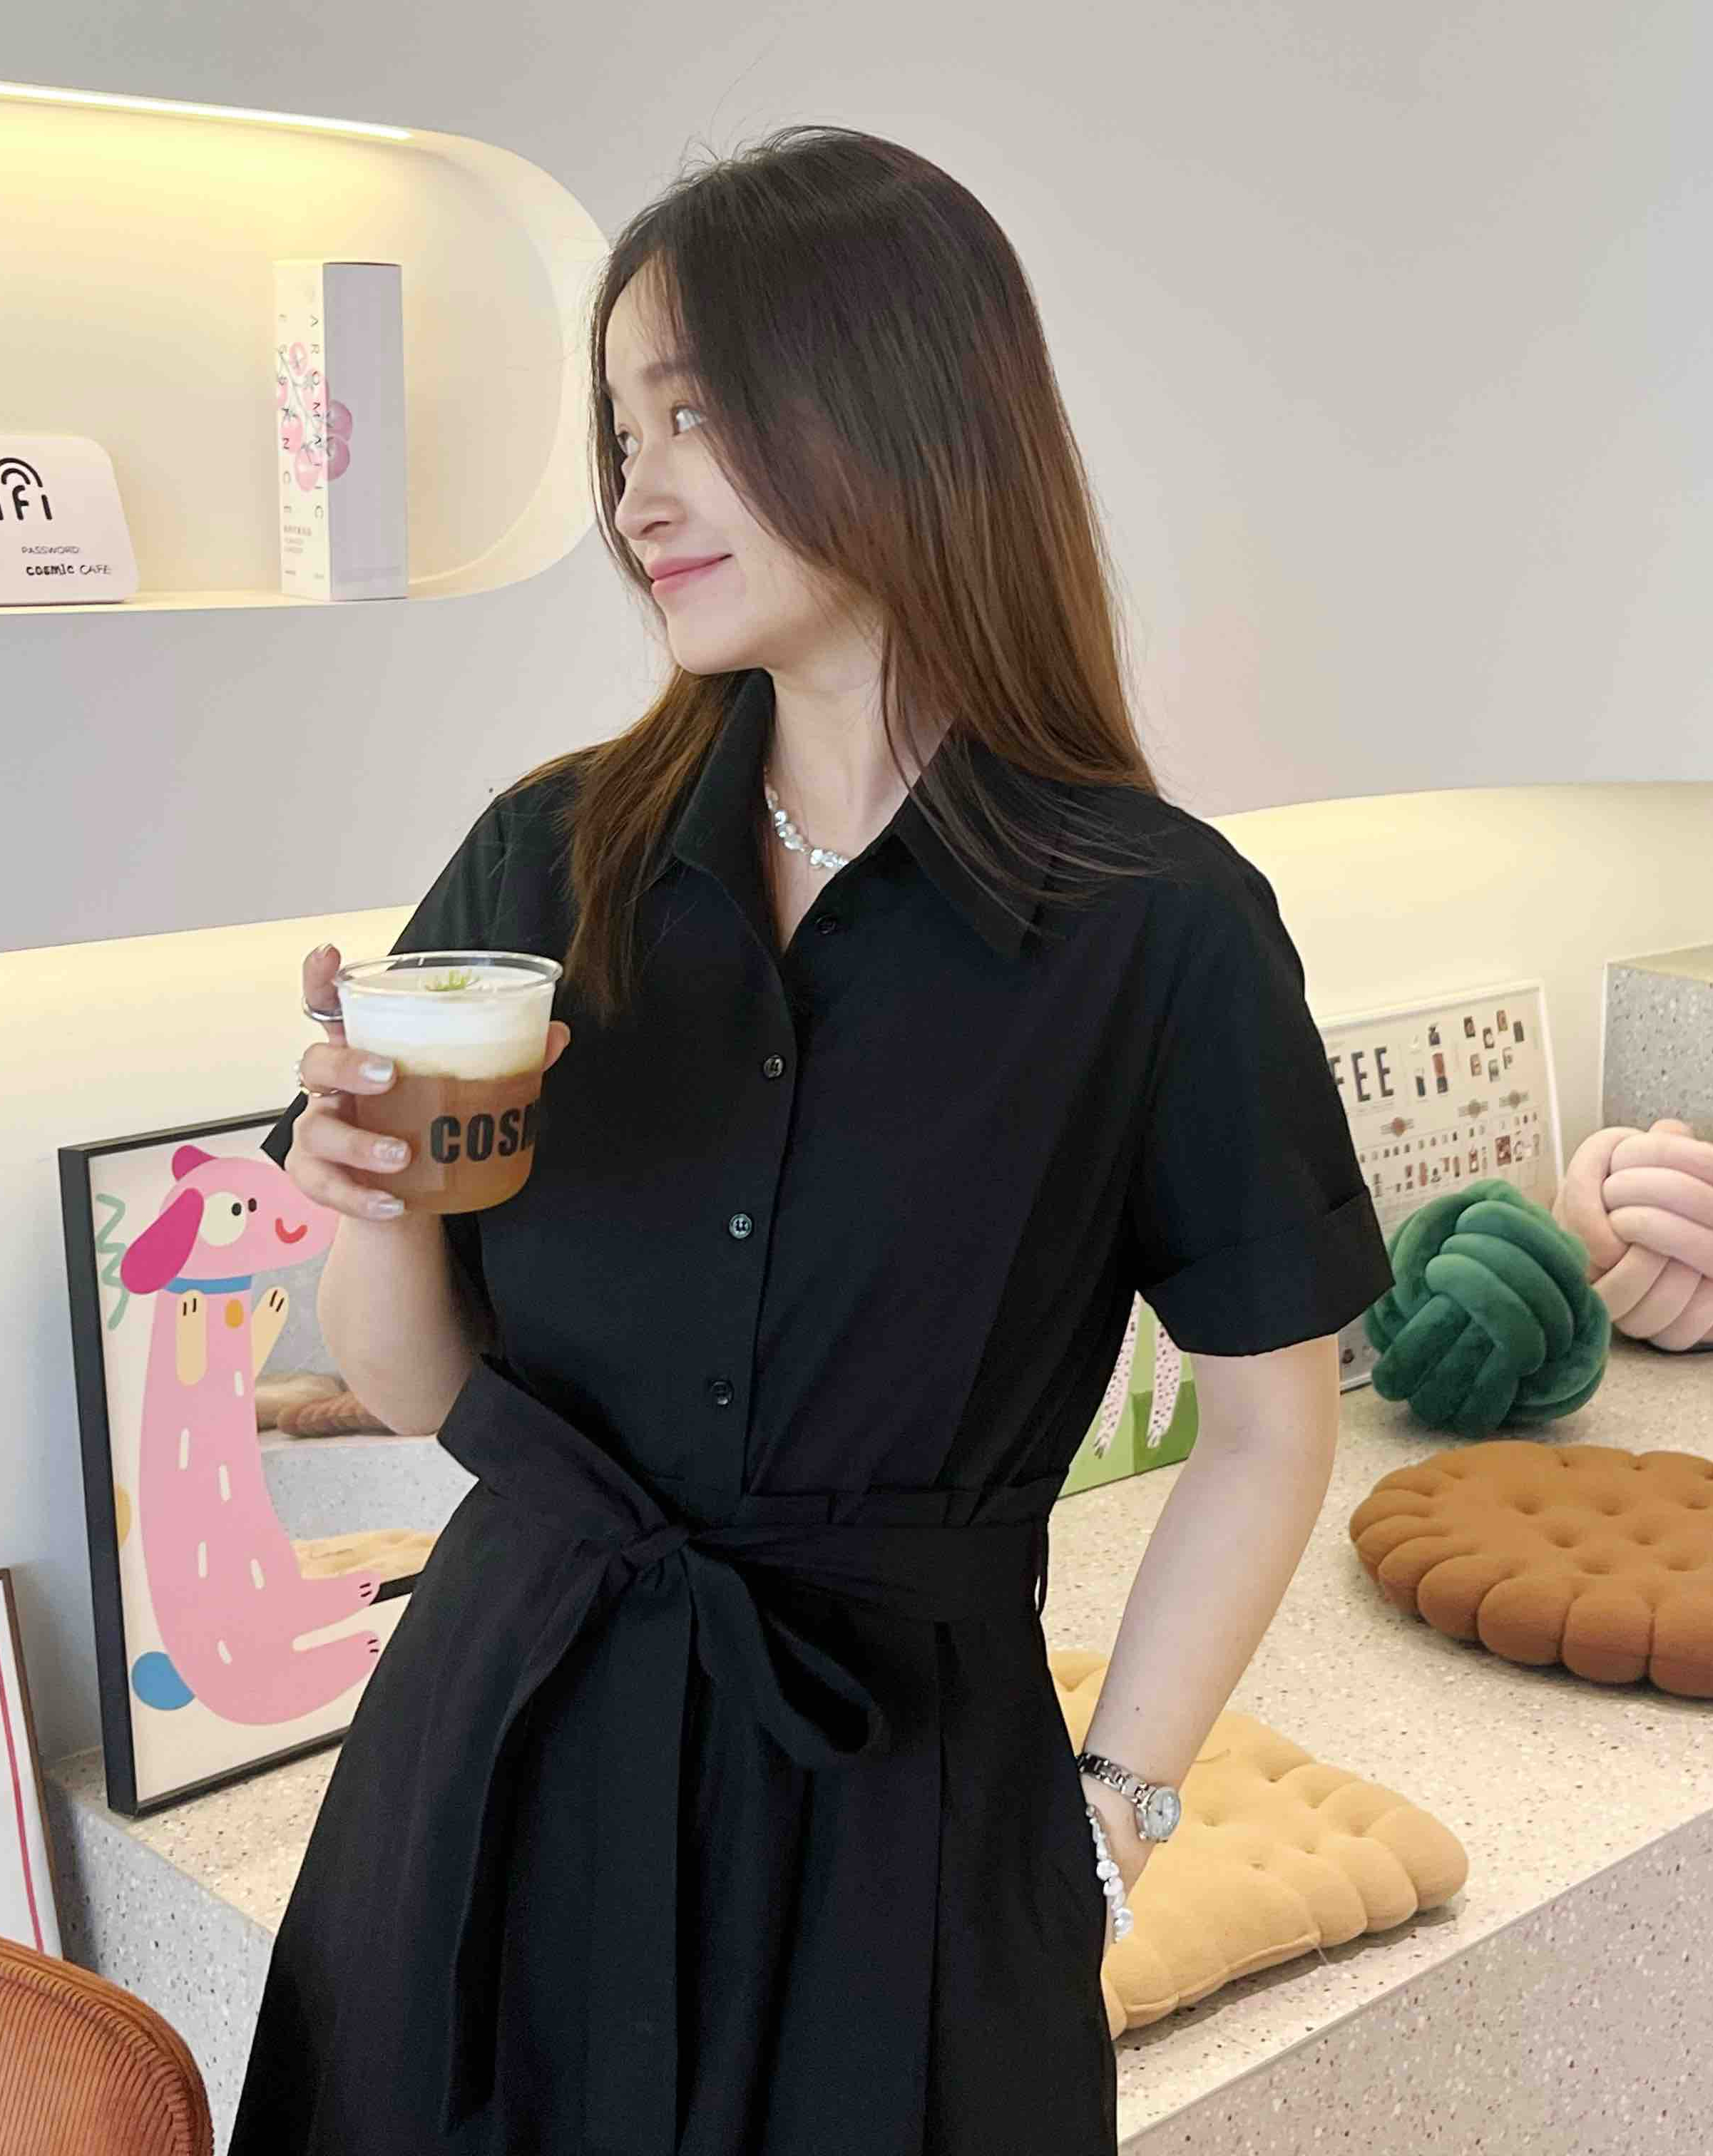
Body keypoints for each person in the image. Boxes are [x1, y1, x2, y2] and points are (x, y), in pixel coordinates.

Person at [226, 123, 1394, 2156]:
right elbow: (419, 1389)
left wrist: (1117, 1808)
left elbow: (1269, 1426)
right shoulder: (551, 859)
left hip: (907, 1817)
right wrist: (377, 1200)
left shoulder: (1158, 929)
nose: (634, 494)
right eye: (623, 432)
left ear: (903, 406)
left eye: (695, 414)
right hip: (503, 1747)